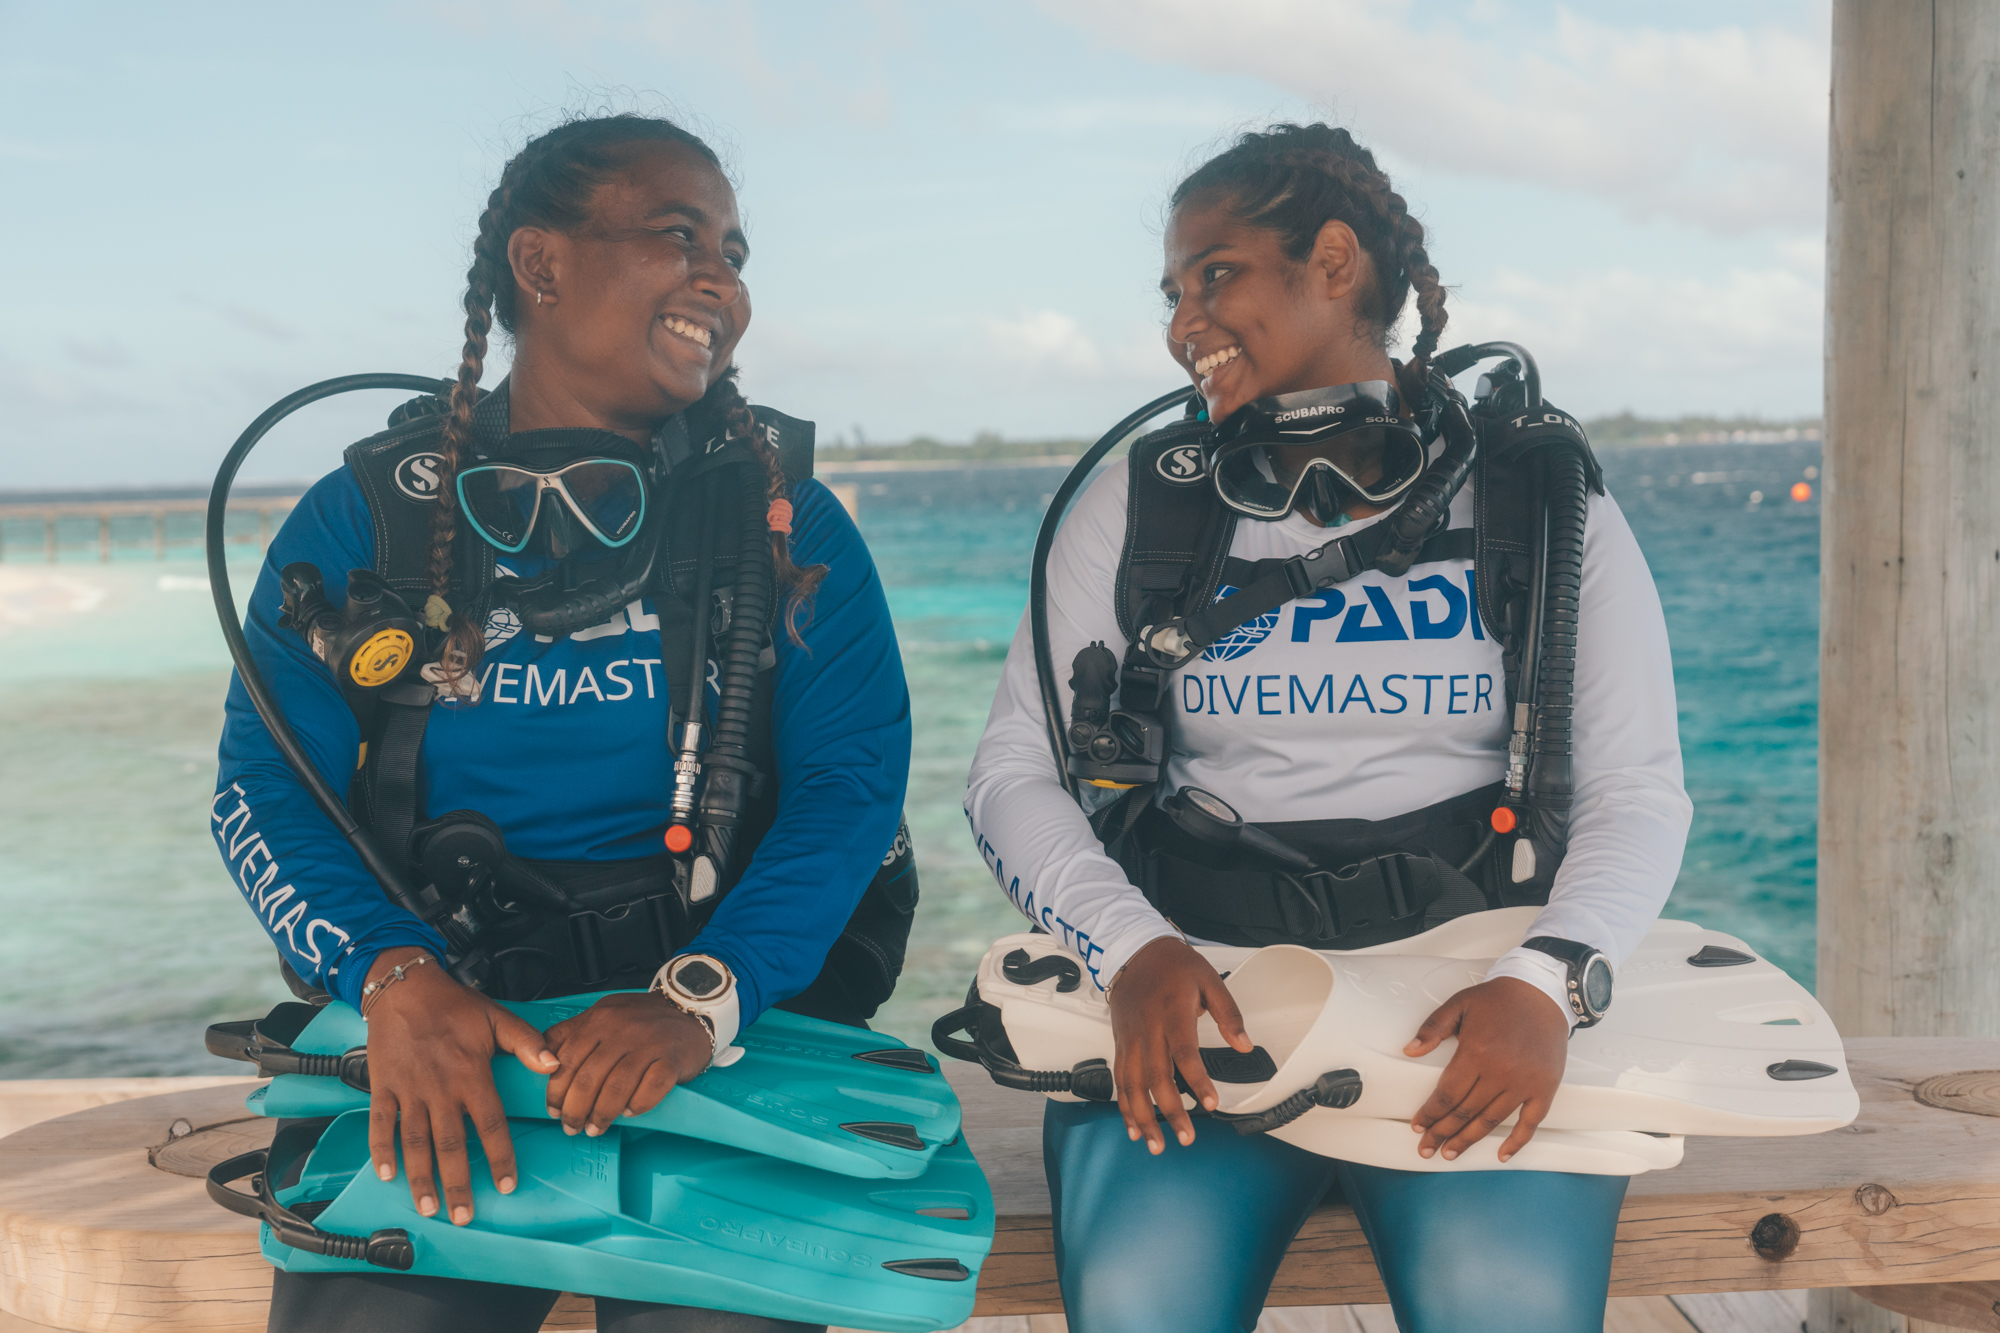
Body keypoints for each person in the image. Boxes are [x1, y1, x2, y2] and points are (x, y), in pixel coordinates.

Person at [963, 124, 1691, 1333]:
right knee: (1142, 1306)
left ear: (1334, 261)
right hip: (1200, 988)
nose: (1181, 320)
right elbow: (1010, 772)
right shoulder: (1143, 499)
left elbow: (1636, 787)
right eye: (1172, 290)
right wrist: (1127, 949)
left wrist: (1546, 983)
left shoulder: (1532, 496)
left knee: (1499, 1309)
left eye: (1216, 273)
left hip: (1475, 992)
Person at [213, 113, 913, 1333]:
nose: (721, 281)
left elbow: (850, 791)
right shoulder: (364, 520)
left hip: (714, 1033)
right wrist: (391, 976)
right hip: (450, 1017)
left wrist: (706, 995)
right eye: (677, 236)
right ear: (540, 265)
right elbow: (260, 791)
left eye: (735, 253)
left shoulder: (783, 521)